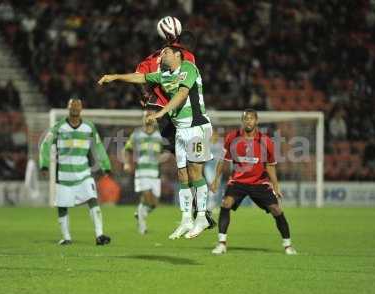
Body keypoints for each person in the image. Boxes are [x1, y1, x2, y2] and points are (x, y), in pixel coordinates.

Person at [98, 46, 213, 239]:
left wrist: (160, 112)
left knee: (195, 171)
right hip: (181, 130)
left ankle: (201, 216)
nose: (162, 55)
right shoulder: (164, 75)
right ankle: (186, 219)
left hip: (197, 126)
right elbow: (140, 77)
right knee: (182, 174)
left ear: (177, 55)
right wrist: (114, 77)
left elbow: (182, 94)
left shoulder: (189, 68)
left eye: (166, 52)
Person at [134, 29, 216, 229]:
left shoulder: (153, 61)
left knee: (189, 166)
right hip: (175, 117)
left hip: (174, 118)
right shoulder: (186, 58)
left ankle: (198, 213)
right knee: (191, 166)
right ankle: (199, 212)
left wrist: (144, 94)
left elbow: (139, 78)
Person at [210, 109, 297, 255]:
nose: (248, 121)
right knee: (226, 203)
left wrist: (275, 185)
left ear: (256, 121)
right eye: (245, 119)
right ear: (242, 121)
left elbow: (270, 164)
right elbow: (223, 160)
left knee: (276, 210)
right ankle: (222, 244)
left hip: (259, 183)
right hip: (238, 181)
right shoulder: (232, 137)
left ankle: (288, 245)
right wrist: (215, 179)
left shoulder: (266, 141)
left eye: (251, 119)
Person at [39, 98, 112, 246]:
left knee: (92, 199)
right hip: (64, 175)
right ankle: (66, 238)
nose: (75, 107)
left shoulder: (88, 127)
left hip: (83, 173)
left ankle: (99, 235)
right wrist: (44, 165)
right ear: (68, 107)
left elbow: (98, 147)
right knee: (62, 205)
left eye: (77, 105)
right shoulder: (59, 127)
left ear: (81, 108)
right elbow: (45, 144)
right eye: (72, 105)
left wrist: (106, 165)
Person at [123, 110, 163, 234]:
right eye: (146, 116)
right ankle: (142, 226)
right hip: (142, 171)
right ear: (143, 118)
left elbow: (164, 152)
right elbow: (127, 149)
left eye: (151, 116)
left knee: (154, 203)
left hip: (155, 171)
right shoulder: (137, 134)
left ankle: (141, 213)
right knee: (146, 197)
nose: (148, 118)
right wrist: (127, 163)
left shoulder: (159, 136)